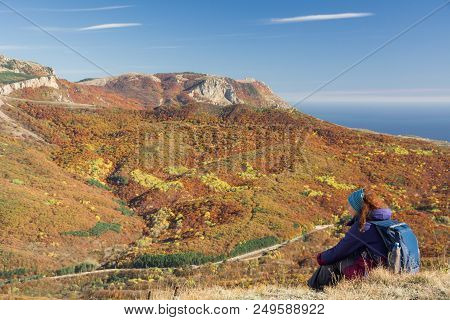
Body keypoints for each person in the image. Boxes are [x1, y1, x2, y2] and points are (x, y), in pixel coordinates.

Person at [307, 188, 392, 290]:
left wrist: (320, 258)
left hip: (372, 272)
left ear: (358, 207)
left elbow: (339, 251)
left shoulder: (363, 227)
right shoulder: (384, 221)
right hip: (390, 269)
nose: (348, 208)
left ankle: (315, 292)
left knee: (329, 264)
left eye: (350, 205)